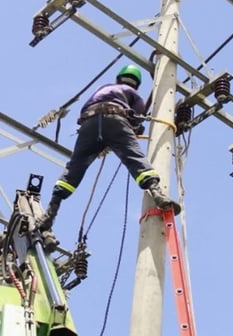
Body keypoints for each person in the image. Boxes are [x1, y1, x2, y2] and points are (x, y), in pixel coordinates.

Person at [38, 64, 180, 250]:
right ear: (136, 83)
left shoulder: (104, 88)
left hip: (89, 125)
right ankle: (157, 194)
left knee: (75, 167)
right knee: (134, 157)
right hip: (115, 121)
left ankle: (50, 212)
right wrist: (136, 127)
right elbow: (136, 117)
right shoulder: (131, 93)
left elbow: (85, 108)